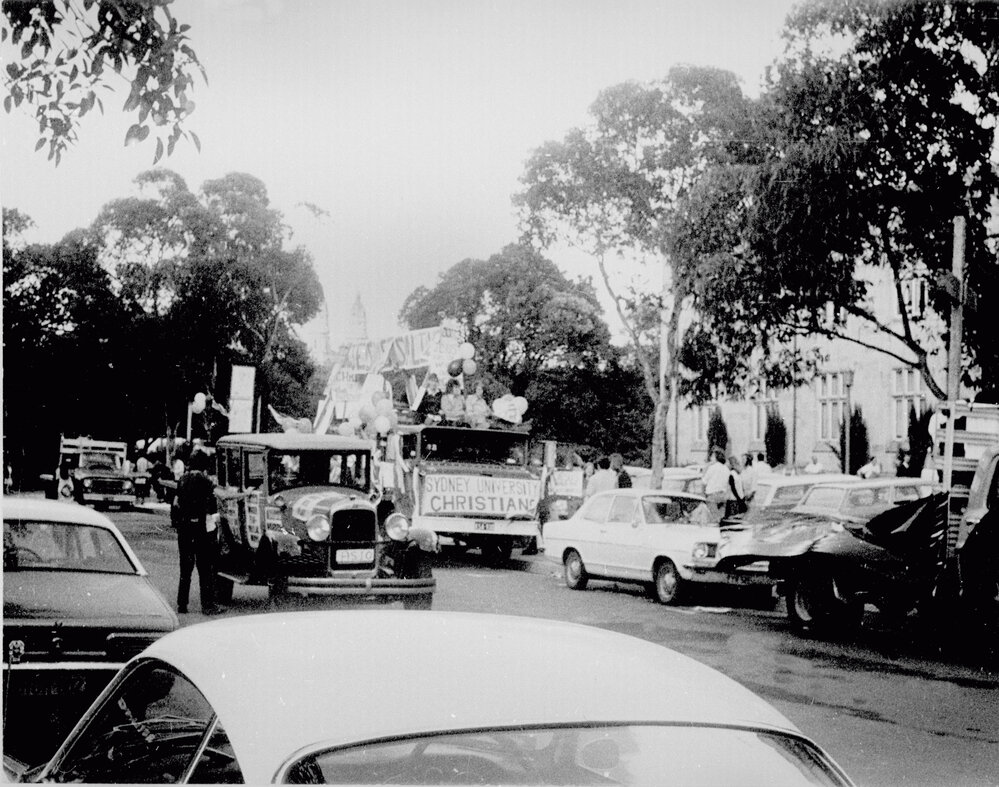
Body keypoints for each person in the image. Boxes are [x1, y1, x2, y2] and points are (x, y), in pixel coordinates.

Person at [174, 450, 220, 615]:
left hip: (185, 528)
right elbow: (212, 504)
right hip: (201, 528)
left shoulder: (182, 479)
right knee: (205, 568)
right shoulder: (205, 481)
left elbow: (176, 504)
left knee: (185, 569)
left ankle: (182, 604)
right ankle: (208, 605)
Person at [702, 450, 729, 521]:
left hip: (712, 496)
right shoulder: (726, 469)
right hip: (723, 495)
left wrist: (703, 493)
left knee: (713, 518)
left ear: (716, 457)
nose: (711, 458)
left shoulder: (712, 467)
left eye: (712, 456)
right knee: (721, 518)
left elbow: (704, 482)